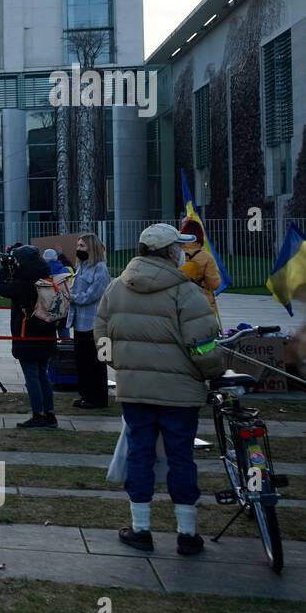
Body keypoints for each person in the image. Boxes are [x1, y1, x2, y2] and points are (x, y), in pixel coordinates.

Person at [94, 223, 225, 557]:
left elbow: (102, 338)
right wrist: (212, 373)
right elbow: (203, 344)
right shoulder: (186, 291)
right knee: (181, 457)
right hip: (179, 393)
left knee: (140, 454)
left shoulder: (115, 288)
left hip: (134, 391)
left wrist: (122, 367)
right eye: (177, 248)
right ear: (170, 252)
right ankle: (187, 532)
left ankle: (141, 528)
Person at [0, 244, 58, 428]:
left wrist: (5, 268)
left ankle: (38, 414)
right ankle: (49, 413)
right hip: (46, 335)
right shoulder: (46, 278)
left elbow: (0, 288)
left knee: (32, 376)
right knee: (42, 375)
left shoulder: (23, 284)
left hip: (27, 336)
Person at [68, 233, 111, 409]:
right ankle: (85, 395)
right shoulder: (81, 267)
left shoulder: (100, 268)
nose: (79, 249)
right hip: (79, 322)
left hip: (93, 323)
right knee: (82, 362)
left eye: (82, 246)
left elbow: (92, 295)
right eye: (78, 246)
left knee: (95, 363)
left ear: (92, 248)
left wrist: (70, 297)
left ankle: (98, 398)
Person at [179, 217, 222, 324]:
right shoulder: (206, 257)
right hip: (203, 303)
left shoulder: (175, 253)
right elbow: (214, 284)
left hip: (180, 301)